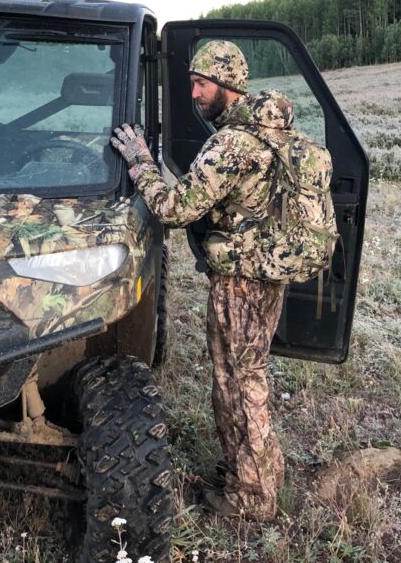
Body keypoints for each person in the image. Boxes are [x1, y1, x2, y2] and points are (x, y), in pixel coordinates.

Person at [110, 39, 294, 521]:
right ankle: (256, 471)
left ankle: (251, 498)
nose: (193, 93)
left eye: (201, 83)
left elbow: (174, 208)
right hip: (266, 271)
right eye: (192, 81)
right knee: (246, 373)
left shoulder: (231, 144)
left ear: (227, 85)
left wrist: (141, 163)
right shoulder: (273, 130)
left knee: (239, 381)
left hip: (240, 279)